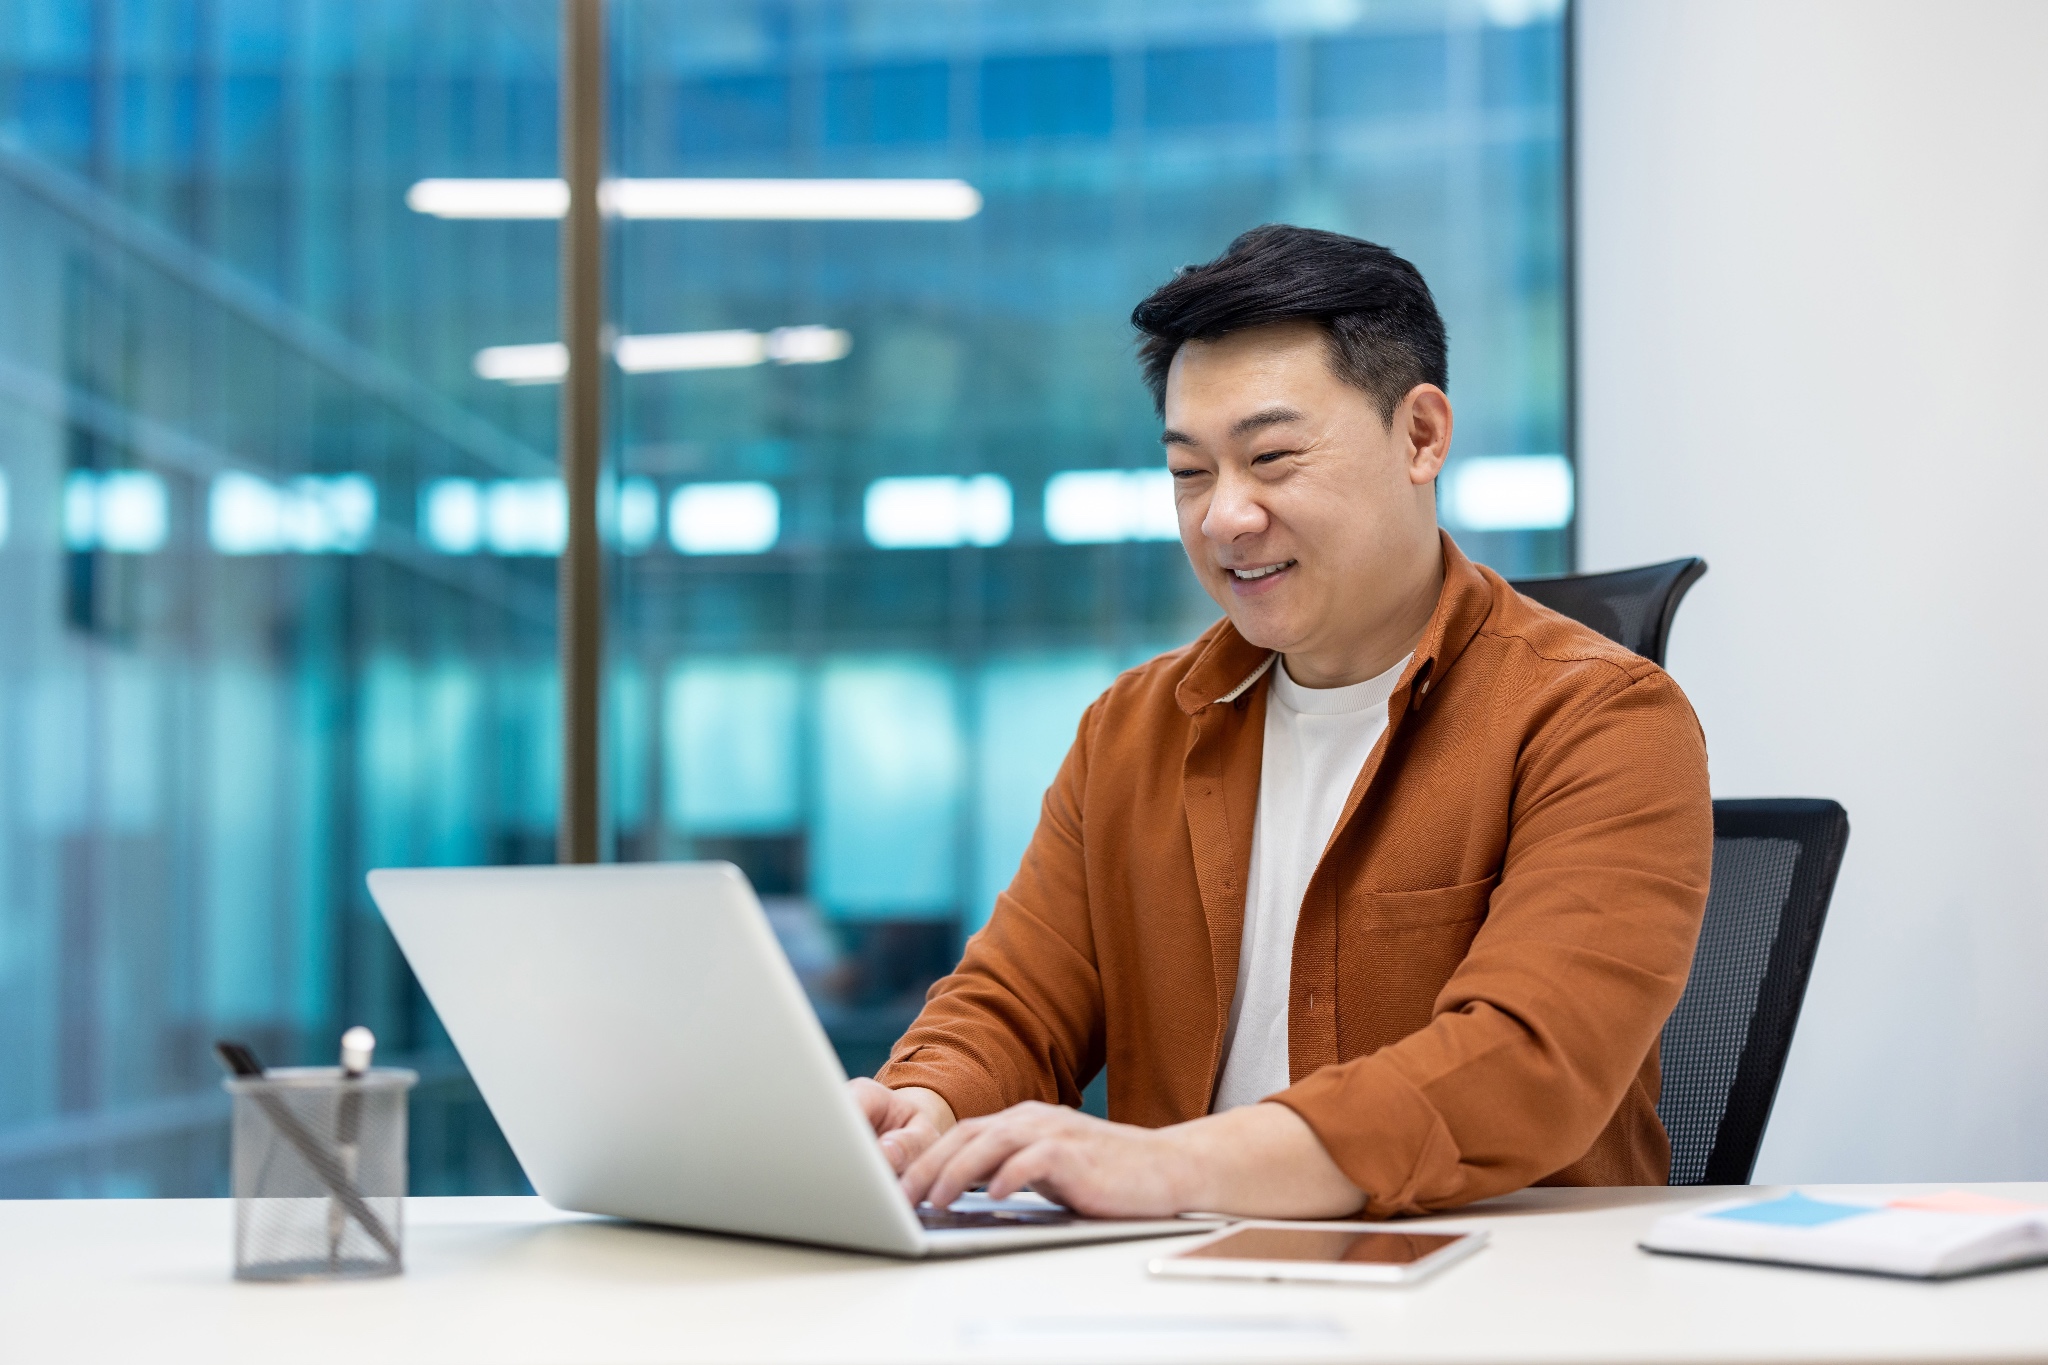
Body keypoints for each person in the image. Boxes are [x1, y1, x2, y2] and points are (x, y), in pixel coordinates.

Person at [849, 224, 1713, 1220]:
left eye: (1270, 456)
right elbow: (1013, 1003)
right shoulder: (1131, 731)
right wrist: (921, 1103)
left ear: (1419, 436)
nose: (1223, 517)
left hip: (1480, 1302)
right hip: (1178, 1292)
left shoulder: (1600, 720)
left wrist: (1172, 1167)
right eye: (1187, 472)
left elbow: (1522, 1062)